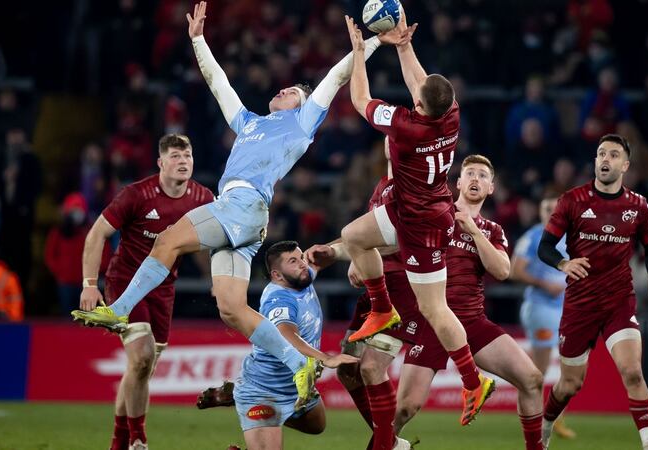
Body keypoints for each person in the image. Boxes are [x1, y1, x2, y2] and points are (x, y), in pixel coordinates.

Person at [71, 0, 411, 407]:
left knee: (166, 241)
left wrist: (370, 43)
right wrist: (198, 40)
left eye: (294, 92)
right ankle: (298, 362)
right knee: (232, 309)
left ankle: (120, 309)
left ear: (304, 106)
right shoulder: (250, 122)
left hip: (243, 206)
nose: (285, 90)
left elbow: (336, 79)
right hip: (243, 216)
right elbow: (220, 85)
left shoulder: (302, 122)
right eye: (285, 88)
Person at [340, 13, 493, 429]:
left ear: (421, 106)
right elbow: (421, 84)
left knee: (434, 308)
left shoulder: (408, 128)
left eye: (417, 97)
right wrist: (403, 45)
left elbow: (359, 100)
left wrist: (359, 53)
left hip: (422, 225)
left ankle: (473, 380)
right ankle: (382, 308)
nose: (413, 96)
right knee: (354, 235)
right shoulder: (450, 115)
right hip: (414, 208)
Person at [393, 155, 544, 450]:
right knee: (404, 409)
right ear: (458, 183)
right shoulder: (436, 215)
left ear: (491, 188)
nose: (475, 179)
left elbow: (502, 271)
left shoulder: (492, 231)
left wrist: (473, 230)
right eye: (470, 173)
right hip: (432, 322)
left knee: (532, 380)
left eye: (483, 175)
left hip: (472, 322)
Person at [76, 134, 214, 450]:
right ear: (161, 163)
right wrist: (89, 285)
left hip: (163, 290)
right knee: (142, 358)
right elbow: (96, 235)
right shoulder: (136, 195)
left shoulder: (203, 198)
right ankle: (138, 438)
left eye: (188, 155)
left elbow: (210, 243)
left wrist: (216, 280)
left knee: (140, 369)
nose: (183, 162)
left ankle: (118, 442)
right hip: (125, 282)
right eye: (176, 156)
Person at [537, 134, 648, 450]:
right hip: (580, 304)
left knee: (633, 373)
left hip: (618, 302)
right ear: (595, 161)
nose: (605, 159)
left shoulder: (638, 206)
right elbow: (545, 247)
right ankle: (545, 426)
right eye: (600, 154)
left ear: (625, 165)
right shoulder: (572, 200)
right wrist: (563, 264)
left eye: (613, 154)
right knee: (570, 385)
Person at [305, 141, 423, 450]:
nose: (393, 140)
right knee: (347, 369)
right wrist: (332, 250)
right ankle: (393, 443)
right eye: (390, 137)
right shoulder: (382, 188)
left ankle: (384, 445)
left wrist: (361, 256)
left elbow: (400, 241)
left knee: (371, 368)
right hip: (376, 289)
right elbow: (361, 238)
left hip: (403, 292)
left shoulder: (416, 190)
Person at [200, 241, 359, 450]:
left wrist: (332, 248)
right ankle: (246, 402)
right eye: (293, 261)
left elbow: (326, 256)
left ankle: (235, 398)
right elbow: (285, 334)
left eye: (301, 257)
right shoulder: (279, 299)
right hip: (264, 390)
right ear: (277, 275)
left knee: (317, 425)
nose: (302, 264)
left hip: (296, 388)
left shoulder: (301, 277)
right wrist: (326, 358)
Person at [511, 191, 576, 440]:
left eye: (553, 209)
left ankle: (555, 418)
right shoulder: (534, 236)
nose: (549, 213)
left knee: (569, 368)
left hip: (565, 309)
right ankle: (536, 420)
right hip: (541, 308)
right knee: (538, 370)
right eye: (545, 209)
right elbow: (515, 270)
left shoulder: (571, 236)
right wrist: (543, 284)